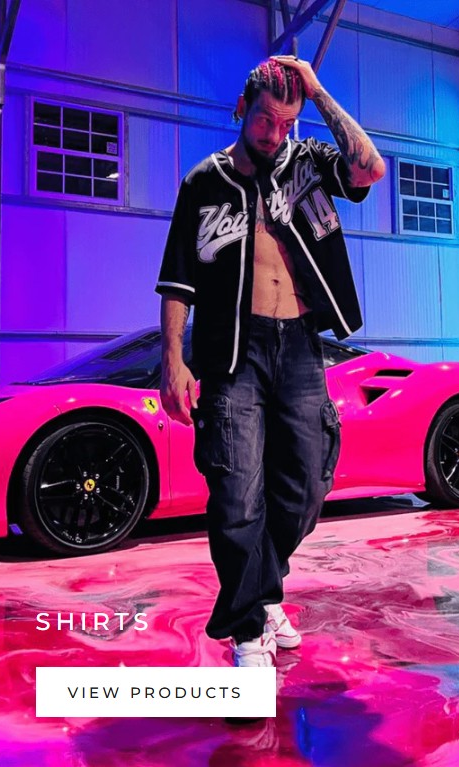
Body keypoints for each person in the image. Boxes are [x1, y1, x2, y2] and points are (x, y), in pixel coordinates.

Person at [156, 56, 385, 668]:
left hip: (302, 343)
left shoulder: (308, 163)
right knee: (236, 491)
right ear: (241, 107)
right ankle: (248, 628)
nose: (274, 133)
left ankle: (261, 589)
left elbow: (370, 169)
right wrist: (173, 358)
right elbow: (177, 280)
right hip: (234, 351)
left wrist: (319, 91)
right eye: (264, 119)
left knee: (308, 483)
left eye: (286, 122)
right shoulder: (204, 183)